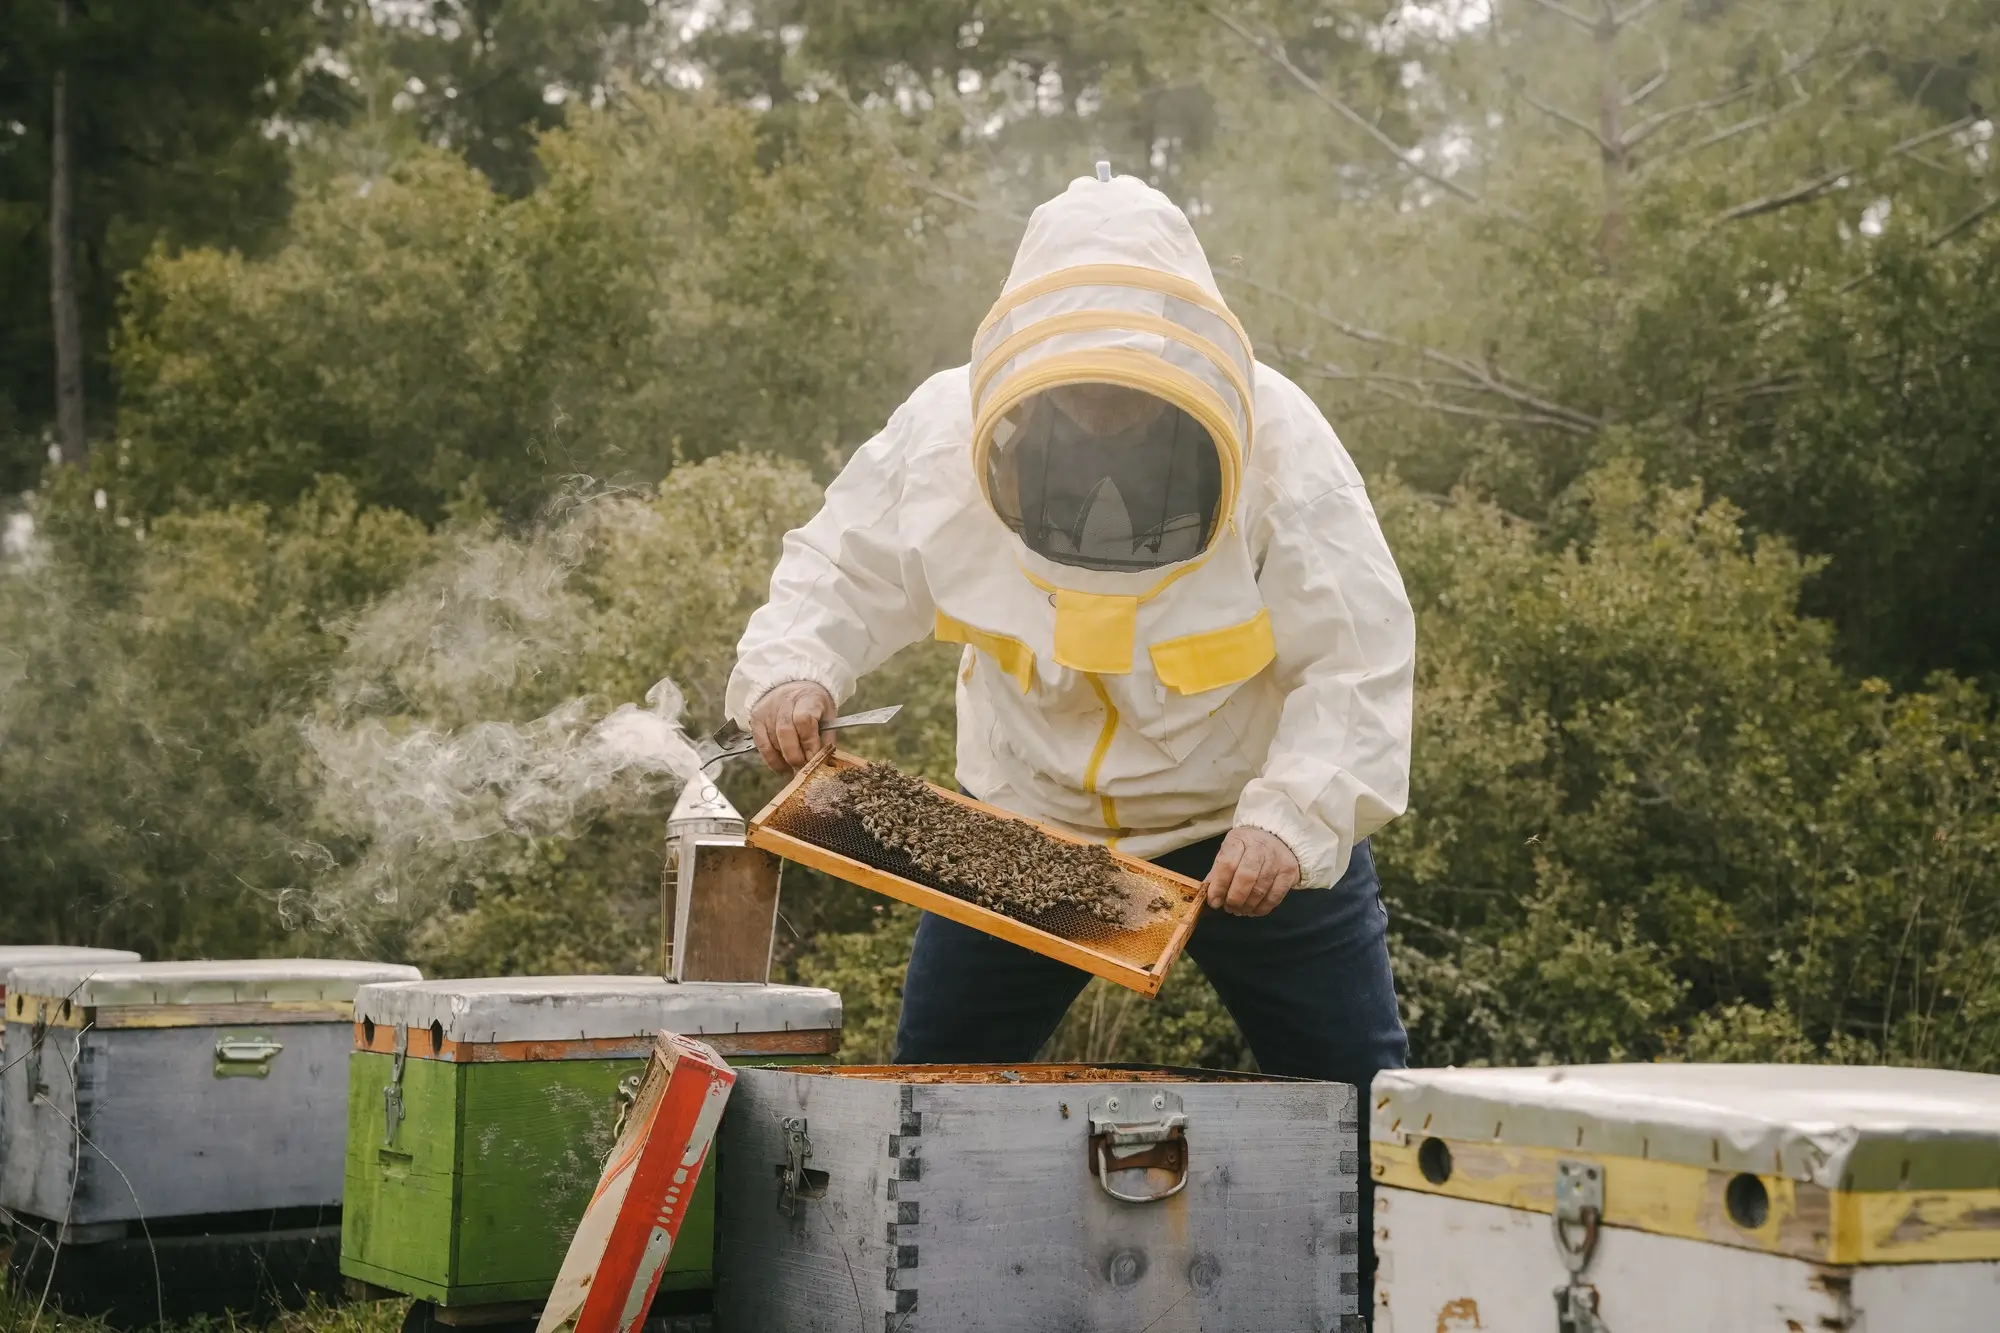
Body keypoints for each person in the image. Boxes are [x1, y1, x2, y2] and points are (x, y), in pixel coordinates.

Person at [726, 166, 1414, 1309]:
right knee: (930, 1111)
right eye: (1078, 406)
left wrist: (1292, 817)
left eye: (1126, 407)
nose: (1102, 428)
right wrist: (793, 666)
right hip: (1021, 837)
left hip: (1240, 834)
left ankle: (1396, 1304)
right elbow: (837, 565)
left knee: (1364, 1112)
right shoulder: (943, 429)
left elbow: (1358, 655)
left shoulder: (1281, 441)